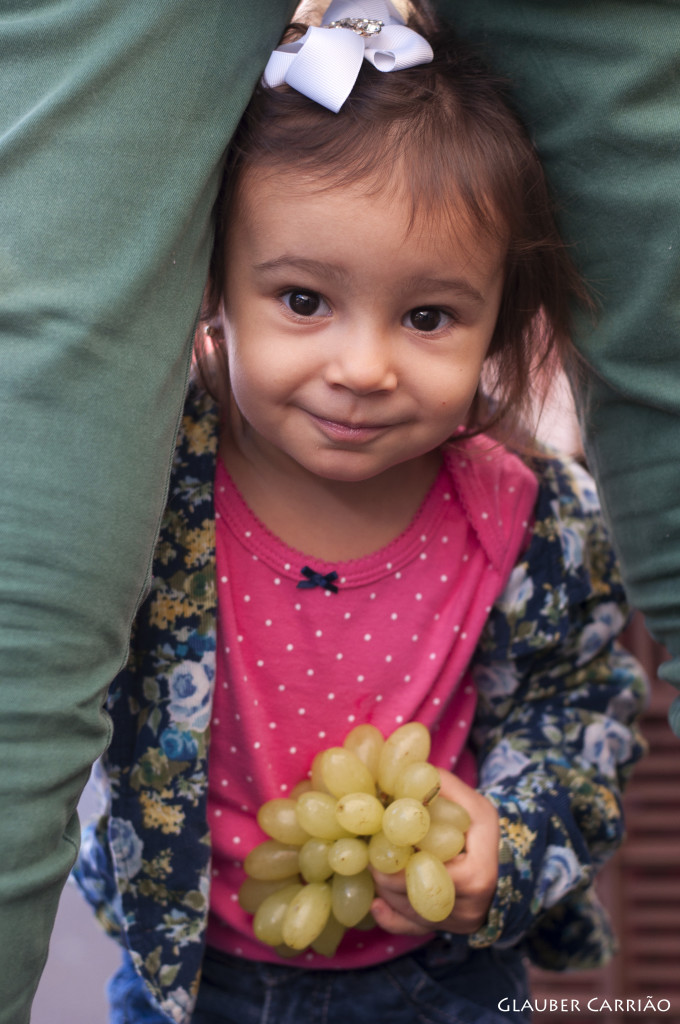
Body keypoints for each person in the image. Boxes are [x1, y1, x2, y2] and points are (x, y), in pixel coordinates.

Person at [70, 4, 647, 1022]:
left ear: (497, 320)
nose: (363, 368)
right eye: (302, 299)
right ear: (211, 287)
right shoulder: (148, 488)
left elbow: (582, 718)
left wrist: (506, 844)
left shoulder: (529, 523)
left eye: (427, 316)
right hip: (188, 980)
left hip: (446, 982)